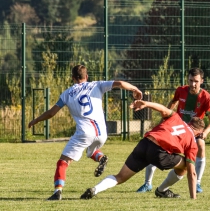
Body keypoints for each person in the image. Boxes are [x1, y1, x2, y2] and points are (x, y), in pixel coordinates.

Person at [28, 64, 143, 201]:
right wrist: (135, 89)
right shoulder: (97, 85)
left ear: (72, 78)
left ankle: (57, 192)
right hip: (102, 133)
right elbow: (120, 83)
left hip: (84, 132)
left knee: (62, 163)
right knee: (90, 150)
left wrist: (36, 120)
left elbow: (52, 113)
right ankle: (101, 158)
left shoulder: (67, 93)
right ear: (86, 76)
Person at [80, 99, 205, 200]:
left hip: (144, 144)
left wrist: (146, 103)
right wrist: (193, 198)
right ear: (199, 133)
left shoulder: (176, 117)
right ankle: (162, 191)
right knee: (185, 166)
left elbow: (163, 108)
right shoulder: (193, 142)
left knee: (120, 177)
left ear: (188, 123)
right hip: (159, 152)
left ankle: (95, 189)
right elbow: (192, 173)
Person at [137, 67, 210, 193]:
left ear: (202, 81)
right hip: (176, 130)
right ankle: (147, 184)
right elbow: (172, 103)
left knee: (201, 144)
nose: (192, 84)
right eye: (190, 80)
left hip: (193, 132)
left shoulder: (206, 98)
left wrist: (205, 133)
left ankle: (197, 182)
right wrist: (165, 119)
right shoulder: (181, 90)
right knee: (157, 145)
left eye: (196, 81)